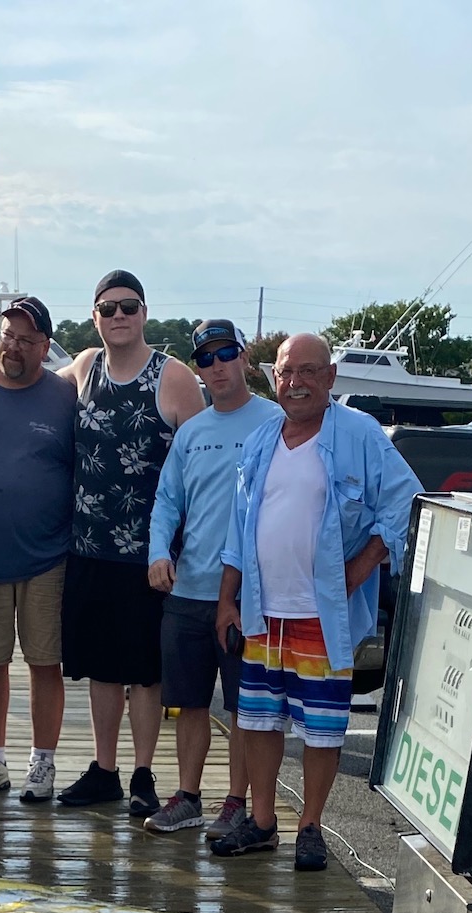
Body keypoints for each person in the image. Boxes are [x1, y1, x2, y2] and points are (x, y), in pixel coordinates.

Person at [213, 332, 419, 870]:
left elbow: (405, 499)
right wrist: (227, 598)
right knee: (258, 721)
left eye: (308, 371)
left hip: (322, 615)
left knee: (322, 729)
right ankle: (262, 822)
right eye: (286, 372)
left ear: (330, 377)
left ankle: (311, 826)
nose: (296, 382)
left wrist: (361, 566)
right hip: (262, 610)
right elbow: (239, 527)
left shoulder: (359, 433)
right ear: (274, 379)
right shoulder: (262, 438)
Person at [55, 271, 202, 816]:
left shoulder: (174, 377)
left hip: (149, 554)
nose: (119, 316)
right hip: (89, 547)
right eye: (108, 308)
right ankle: (105, 769)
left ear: (144, 313)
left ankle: (142, 773)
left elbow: (199, 468)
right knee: (102, 667)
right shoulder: (85, 366)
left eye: (129, 306)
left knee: (144, 670)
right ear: (95, 316)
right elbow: (32, 380)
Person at [143, 318, 265, 837]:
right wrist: (157, 553)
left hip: (248, 597)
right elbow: (167, 502)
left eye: (226, 354)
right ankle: (188, 797)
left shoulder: (275, 422)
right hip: (188, 592)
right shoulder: (191, 432)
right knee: (189, 703)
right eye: (206, 359)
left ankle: (236, 803)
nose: (217, 366)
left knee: (244, 709)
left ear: (244, 358)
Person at [0, 295, 76, 805]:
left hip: (49, 555)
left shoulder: (65, 396)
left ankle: (42, 762)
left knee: (45, 663)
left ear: (45, 347)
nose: (15, 347)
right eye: (8, 336)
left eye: (27, 340)